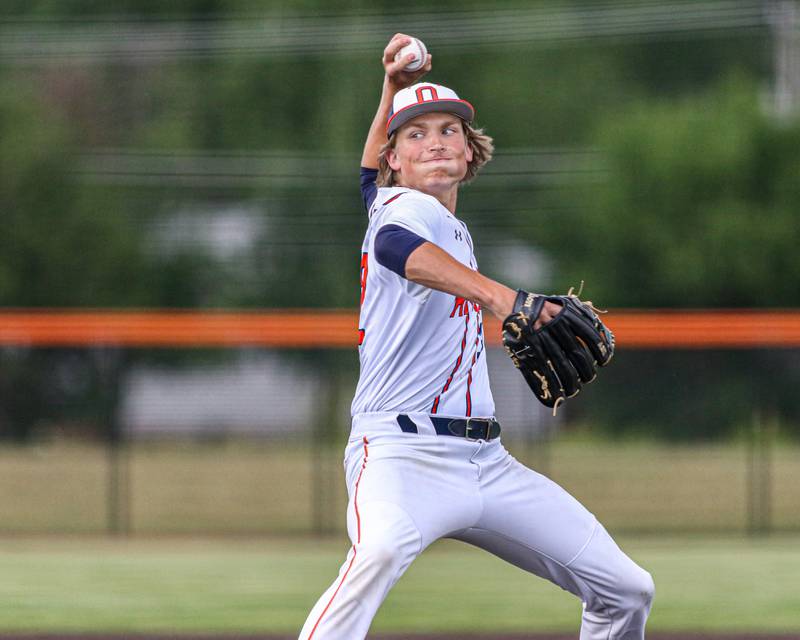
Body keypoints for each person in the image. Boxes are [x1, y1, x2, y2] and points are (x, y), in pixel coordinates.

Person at [298, 34, 654, 640]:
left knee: (626, 591)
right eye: (416, 134)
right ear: (397, 162)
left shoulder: (404, 203)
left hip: (486, 463)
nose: (435, 141)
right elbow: (395, 249)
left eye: (449, 130)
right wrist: (503, 298)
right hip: (400, 456)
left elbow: (364, 175)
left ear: (470, 152)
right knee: (376, 554)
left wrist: (391, 89)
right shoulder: (404, 213)